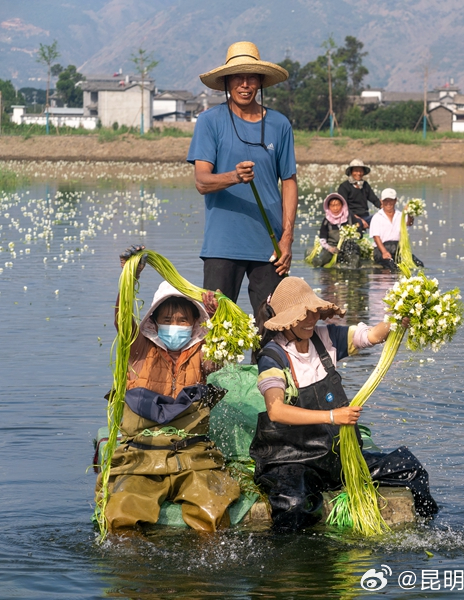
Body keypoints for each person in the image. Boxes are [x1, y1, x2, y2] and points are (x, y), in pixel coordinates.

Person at [248, 277, 439, 530]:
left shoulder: (326, 338)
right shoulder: (273, 356)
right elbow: (276, 410)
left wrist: (396, 323)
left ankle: (428, 530)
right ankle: (292, 564)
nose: (310, 320)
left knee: (410, 469)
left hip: (337, 456)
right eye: (302, 315)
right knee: (294, 503)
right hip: (294, 459)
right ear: (285, 320)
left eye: (313, 312)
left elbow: (371, 335)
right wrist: (331, 417)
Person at [99, 245, 240, 531]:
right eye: (166, 320)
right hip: (141, 449)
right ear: (154, 321)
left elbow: (222, 357)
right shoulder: (137, 346)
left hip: (190, 452)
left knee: (213, 508)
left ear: (193, 324)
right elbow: (123, 318)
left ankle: (206, 568)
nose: (174, 326)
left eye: (182, 321)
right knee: (124, 511)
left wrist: (218, 319)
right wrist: (131, 276)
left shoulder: (202, 350)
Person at [187, 41, 297, 320]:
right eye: (238, 77)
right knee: (216, 329)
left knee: (272, 328)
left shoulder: (279, 124)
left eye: (251, 77)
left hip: (269, 247)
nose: (245, 84)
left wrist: (287, 238)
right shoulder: (209, 121)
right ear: (227, 81)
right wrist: (233, 176)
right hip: (222, 244)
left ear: (260, 82)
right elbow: (202, 181)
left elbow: (289, 182)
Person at [370, 188, 424, 272]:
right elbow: (376, 237)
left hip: (398, 248)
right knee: (391, 266)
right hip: (382, 248)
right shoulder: (377, 217)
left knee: (419, 264)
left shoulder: (400, 215)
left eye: (391, 200)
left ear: (395, 201)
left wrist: (410, 213)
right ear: (381, 202)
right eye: (386, 201)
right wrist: (384, 252)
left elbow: (408, 224)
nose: (388, 203)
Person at [310, 193, 360, 268]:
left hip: (349, 247)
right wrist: (330, 248)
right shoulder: (326, 220)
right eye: (332, 206)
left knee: (354, 262)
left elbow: (359, 233)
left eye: (338, 205)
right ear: (328, 207)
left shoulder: (349, 217)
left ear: (342, 205)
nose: (335, 208)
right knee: (321, 261)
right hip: (332, 248)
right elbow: (322, 238)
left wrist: (354, 234)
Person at [337, 159, 381, 230]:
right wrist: (359, 220)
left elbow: (375, 200)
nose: (359, 173)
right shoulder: (344, 187)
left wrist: (386, 208)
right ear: (351, 172)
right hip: (350, 218)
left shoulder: (365, 185)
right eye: (356, 171)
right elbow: (344, 207)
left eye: (360, 171)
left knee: (380, 219)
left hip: (365, 216)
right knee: (359, 224)